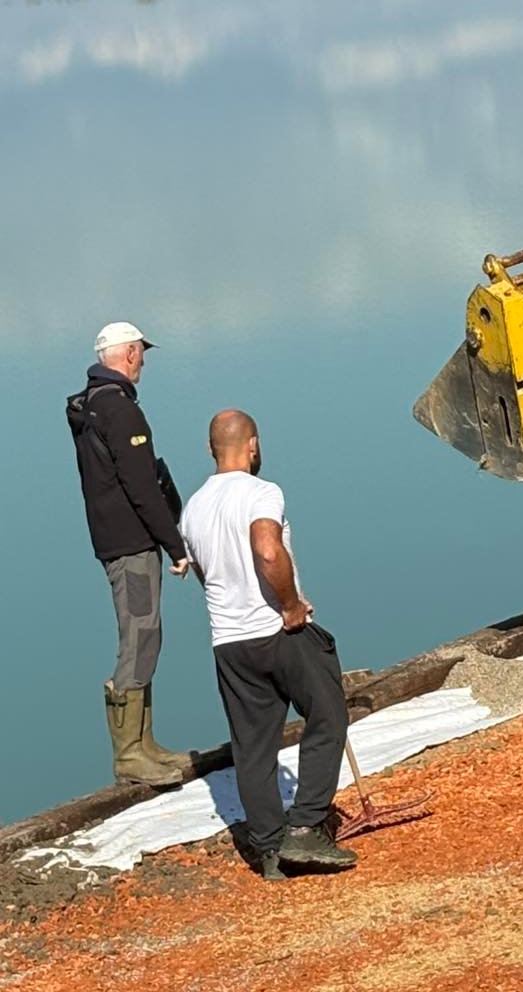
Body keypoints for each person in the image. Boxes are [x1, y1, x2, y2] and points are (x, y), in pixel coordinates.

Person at [178, 410, 355, 881]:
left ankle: (270, 849)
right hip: (278, 631)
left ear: (210, 448)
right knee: (328, 714)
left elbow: (202, 571)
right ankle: (307, 826)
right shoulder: (262, 492)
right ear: (252, 445)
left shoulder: (192, 507)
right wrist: (291, 604)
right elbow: (268, 550)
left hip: (229, 642)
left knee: (253, 747)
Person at [66, 322, 188, 788]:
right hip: (131, 541)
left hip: (113, 535)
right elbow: (141, 487)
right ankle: (129, 754)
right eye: (142, 353)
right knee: (139, 635)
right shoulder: (120, 411)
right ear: (130, 353)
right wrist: (174, 545)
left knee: (145, 633)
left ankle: (145, 743)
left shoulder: (91, 404)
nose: (145, 362)